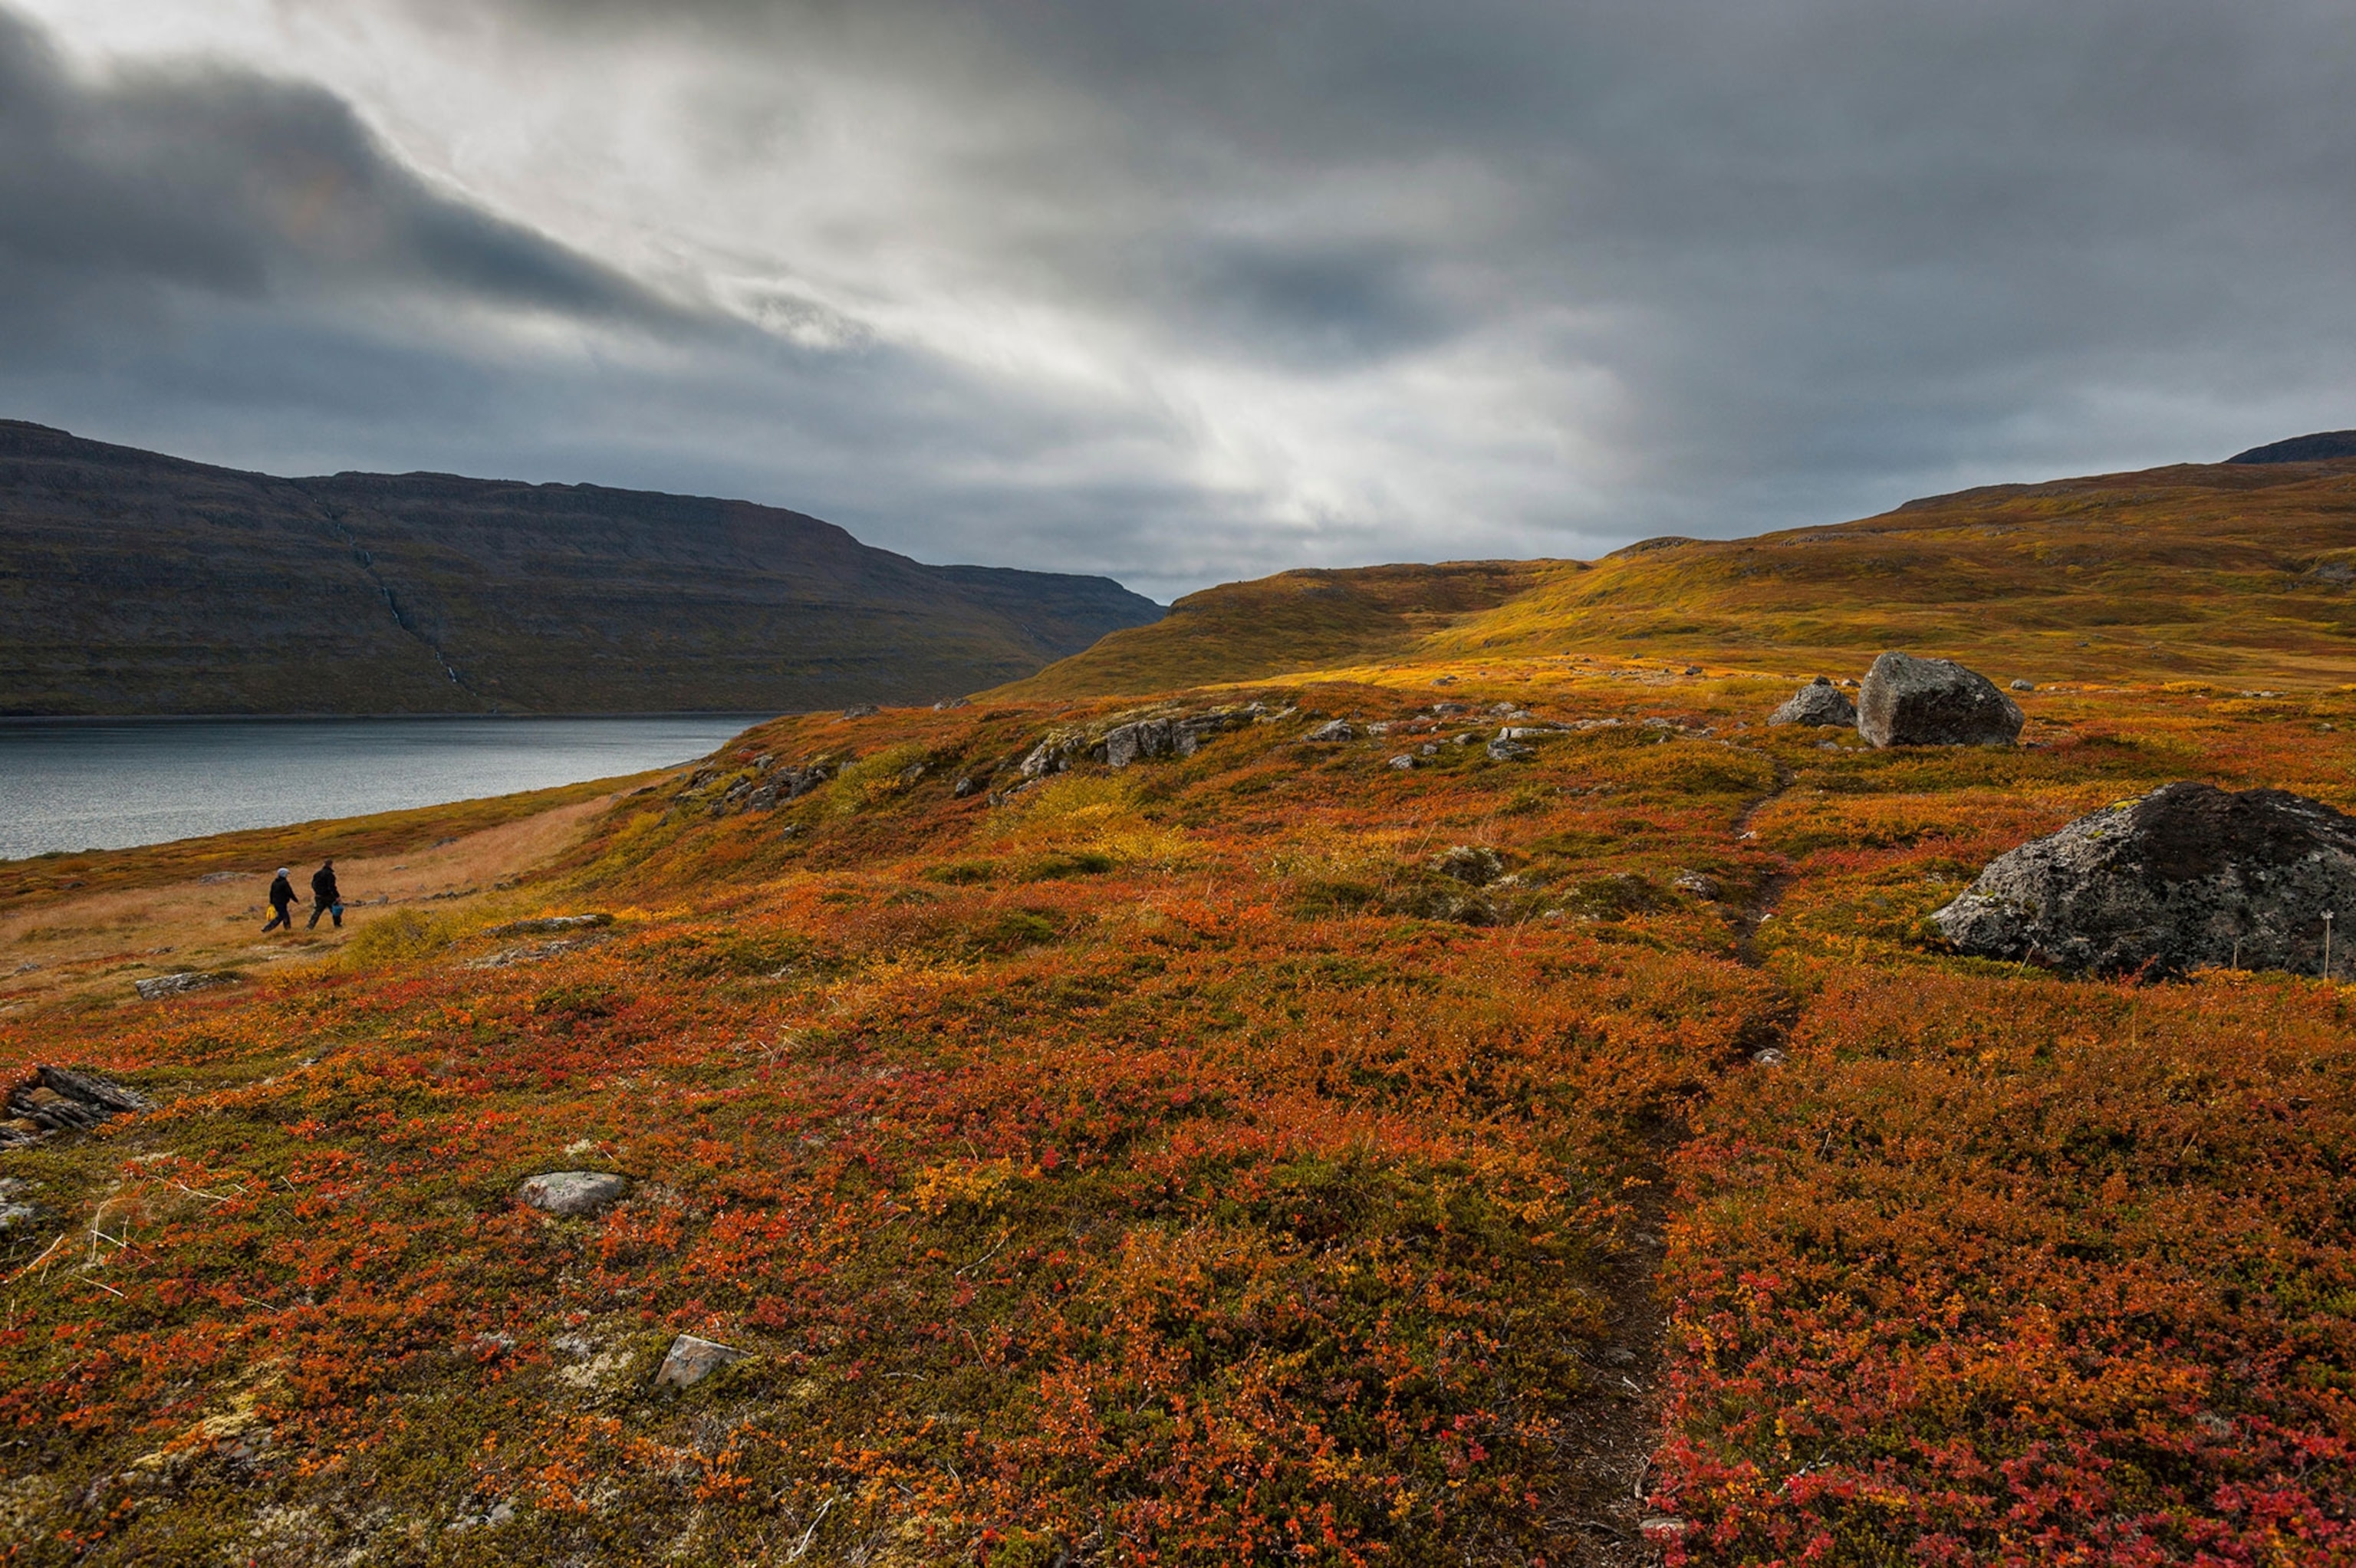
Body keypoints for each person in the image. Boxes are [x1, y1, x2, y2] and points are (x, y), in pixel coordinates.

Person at [308, 859, 344, 929]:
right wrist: (337, 896)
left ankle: (310, 926)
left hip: (318, 895)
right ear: (331, 865)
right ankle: (337, 925)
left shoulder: (317, 874)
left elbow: (313, 884)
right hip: (328, 896)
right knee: (335, 910)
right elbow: (332, 887)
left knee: (317, 911)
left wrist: (317, 892)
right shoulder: (330, 874)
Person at [262, 868, 296, 932]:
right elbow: (289, 892)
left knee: (282, 916)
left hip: (276, 903)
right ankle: (267, 929)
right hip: (282, 903)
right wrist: (295, 900)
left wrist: (272, 901)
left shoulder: (274, 882)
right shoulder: (284, 883)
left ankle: (287, 929)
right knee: (283, 917)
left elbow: (271, 893)